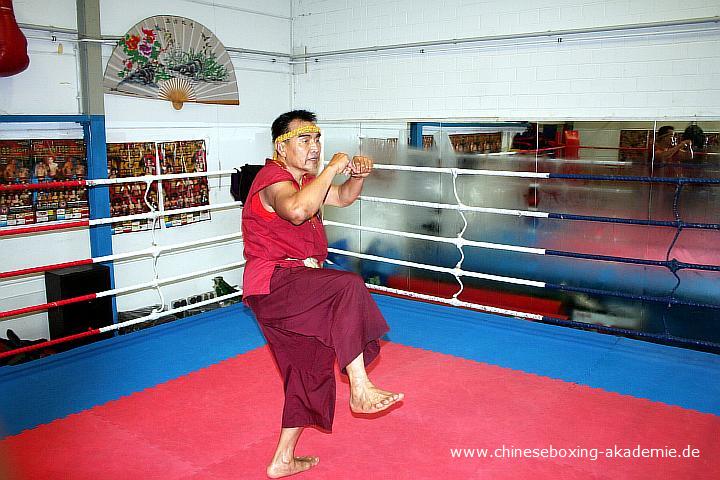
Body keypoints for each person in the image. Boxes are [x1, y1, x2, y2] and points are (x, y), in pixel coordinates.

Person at [242, 110, 403, 478]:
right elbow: (297, 210)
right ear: (281, 147)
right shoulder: (274, 179)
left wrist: (357, 177)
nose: (314, 147)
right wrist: (332, 166)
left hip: (292, 288)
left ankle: (283, 459)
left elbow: (344, 197)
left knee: (309, 368)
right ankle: (360, 388)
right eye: (304, 140)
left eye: (317, 140)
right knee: (346, 286)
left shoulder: (306, 180)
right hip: (276, 282)